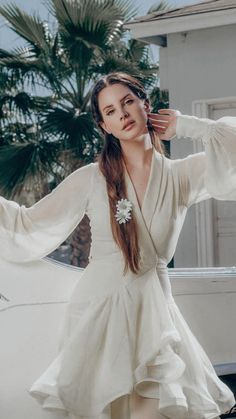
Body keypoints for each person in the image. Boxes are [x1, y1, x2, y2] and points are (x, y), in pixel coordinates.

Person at [0, 72, 236, 419]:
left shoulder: (181, 176)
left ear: (146, 104)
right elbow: (27, 225)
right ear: (104, 126)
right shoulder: (90, 179)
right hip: (100, 313)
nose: (122, 114)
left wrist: (189, 126)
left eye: (127, 102)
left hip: (156, 315)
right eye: (110, 111)